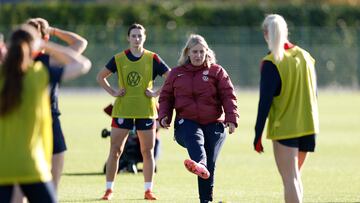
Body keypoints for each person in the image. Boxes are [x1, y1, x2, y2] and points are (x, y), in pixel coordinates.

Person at [0, 25, 90, 203]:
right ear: (32, 47)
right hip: (31, 165)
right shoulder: (38, 74)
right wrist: (44, 45)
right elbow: (82, 64)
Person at [158, 34, 238, 203]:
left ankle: (205, 200)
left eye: (201, 52)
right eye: (195, 52)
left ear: (207, 52)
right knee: (196, 142)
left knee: (209, 165)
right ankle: (199, 162)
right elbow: (166, 97)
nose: (198, 55)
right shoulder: (176, 73)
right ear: (187, 52)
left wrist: (231, 118)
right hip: (186, 123)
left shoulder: (217, 71)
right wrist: (164, 116)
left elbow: (228, 95)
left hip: (214, 124)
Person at [97, 23, 170, 200]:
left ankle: (148, 190)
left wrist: (155, 93)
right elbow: (101, 77)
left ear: (144, 38)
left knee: (147, 151)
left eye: (140, 36)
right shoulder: (119, 58)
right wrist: (114, 92)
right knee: (115, 150)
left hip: (146, 111)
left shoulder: (153, 58)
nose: (137, 38)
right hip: (123, 110)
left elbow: (171, 77)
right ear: (128, 38)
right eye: (133, 35)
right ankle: (109, 190)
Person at [253, 14, 319, 203]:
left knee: (289, 180)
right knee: (295, 177)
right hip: (309, 125)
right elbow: (314, 93)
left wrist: (257, 134)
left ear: (266, 33)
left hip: (286, 128)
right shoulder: (306, 56)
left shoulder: (272, 61)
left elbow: (264, 102)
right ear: (286, 31)